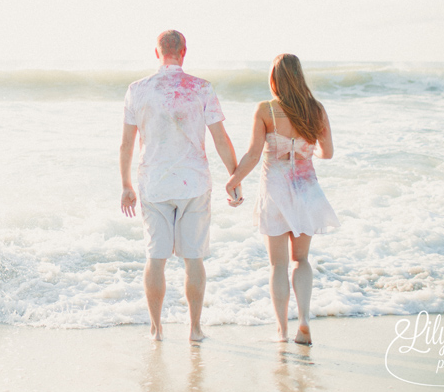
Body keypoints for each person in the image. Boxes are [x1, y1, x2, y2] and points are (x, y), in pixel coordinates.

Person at [119, 30, 237, 342]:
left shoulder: (137, 90)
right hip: (194, 184)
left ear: (156, 53)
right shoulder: (201, 88)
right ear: (184, 51)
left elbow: (126, 145)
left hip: (154, 184)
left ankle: (156, 330)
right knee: (193, 259)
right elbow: (221, 139)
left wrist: (126, 185)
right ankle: (195, 329)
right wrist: (234, 177)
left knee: (155, 259)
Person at [224, 54, 338, 345]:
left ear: (274, 78)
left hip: (275, 192)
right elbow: (327, 153)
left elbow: (252, 155)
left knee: (278, 265)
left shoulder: (266, 110)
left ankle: (282, 331)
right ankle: (303, 320)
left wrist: (233, 181)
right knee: (301, 260)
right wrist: (307, 149)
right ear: (299, 76)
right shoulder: (316, 110)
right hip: (306, 191)